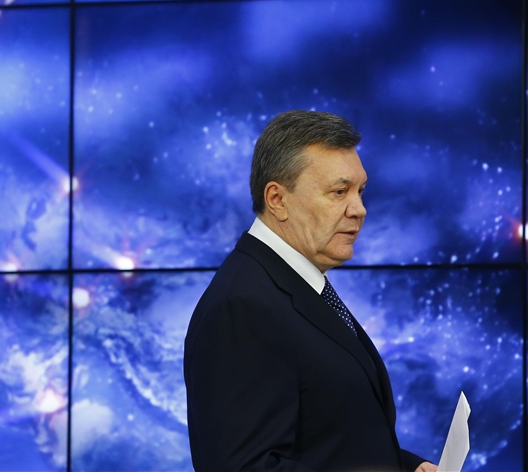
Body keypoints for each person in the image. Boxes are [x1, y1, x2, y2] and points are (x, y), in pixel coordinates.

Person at [184, 111, 438, 472]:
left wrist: (405, 467)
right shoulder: (242, 308)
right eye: (339, 192)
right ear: (277, 199)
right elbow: (245, 468)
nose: (359, 210)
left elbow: (330, 436)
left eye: (360, 191)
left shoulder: (295, 283)